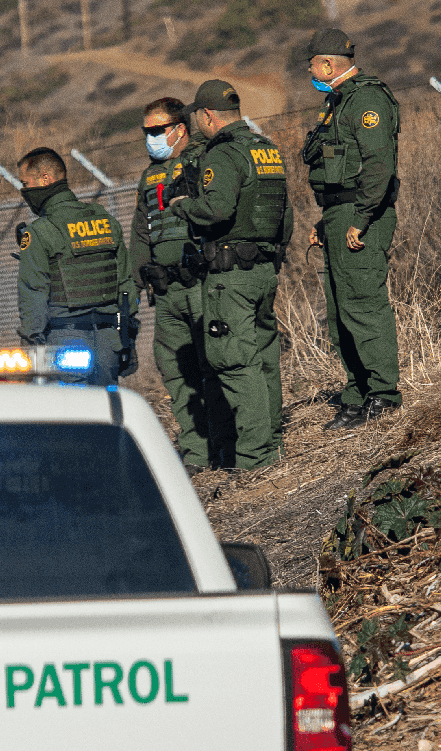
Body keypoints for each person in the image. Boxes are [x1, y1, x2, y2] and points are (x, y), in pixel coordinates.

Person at [169, 79, 292, 472]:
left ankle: (256, 459)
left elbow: (216, 210)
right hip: (263, 269)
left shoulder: (222, 155)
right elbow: (284, 214)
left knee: (235, 363)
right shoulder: (266, 149)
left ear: (207, 115)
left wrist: (183, 205)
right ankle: (272, 447)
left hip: (231, 276)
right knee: (264, 358)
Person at [301, 28, 401, 430]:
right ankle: (357, 394)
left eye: (311, 64)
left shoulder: (368, 100)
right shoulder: (337, 102)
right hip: (339, 217)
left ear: (327, 64)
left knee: (364, 305)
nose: (309, 70)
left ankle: (384, 395)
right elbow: (337, 172)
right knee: (341, 313)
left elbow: (379, 167)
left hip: (364, 217)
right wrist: (324, 223)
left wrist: (360, 219)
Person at [131, 97, 232, 475]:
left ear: (180, 129)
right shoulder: (148, 177)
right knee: (175, 370)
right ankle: (195, 452)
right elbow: (141, 233)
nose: (151, 138)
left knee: (214, 365)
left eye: (157, 130)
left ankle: (225, 447)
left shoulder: (204, 160)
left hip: (202, 284)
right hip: (167, 290)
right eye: (146, 132)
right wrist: (137, 281)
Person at [16, 147, 138, 385]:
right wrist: (129, 337)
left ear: (45, 180)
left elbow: (34, 293)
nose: (24, 191)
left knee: (73, 416)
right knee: (106, 414)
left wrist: (30, 346)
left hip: (66, 343)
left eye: (25, 183)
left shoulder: (40, 232)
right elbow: (126, 284)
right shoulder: (105, 222)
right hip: (109, 341)